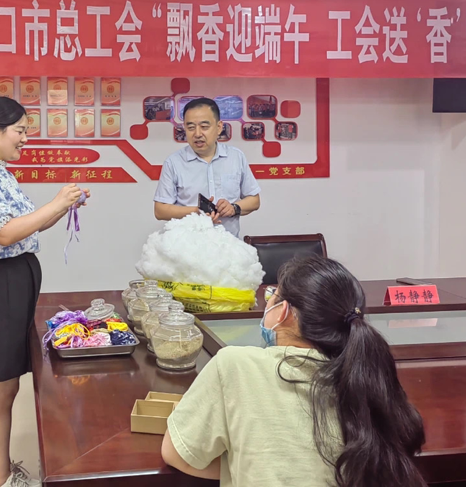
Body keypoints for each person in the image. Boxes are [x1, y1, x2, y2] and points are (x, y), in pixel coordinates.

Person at [161, 257, 427, 487]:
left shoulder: (234, 365)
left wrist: (243, 463)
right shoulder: (365, 377)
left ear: (284, 312)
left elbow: (178, 454)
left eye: (272, 297)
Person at [0, 97, 89, 487]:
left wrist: (63, 206)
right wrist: (56, 202)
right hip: (2, 284)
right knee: (1, 386)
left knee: (9, 383)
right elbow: (5, 233)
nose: (25, 139)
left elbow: (29, 224)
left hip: (17, 279)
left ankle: (1, 471)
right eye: (20, 131)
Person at [153, 97, 260, 238]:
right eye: (191, 127)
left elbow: (254, 200)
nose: (197, 134)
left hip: (229, 245)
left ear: (219, 127)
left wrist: (234, 208)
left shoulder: (236, 157)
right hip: (188, 244)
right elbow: (160, 210)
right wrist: (197, 212)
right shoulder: (173, 162)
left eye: (204, 127)